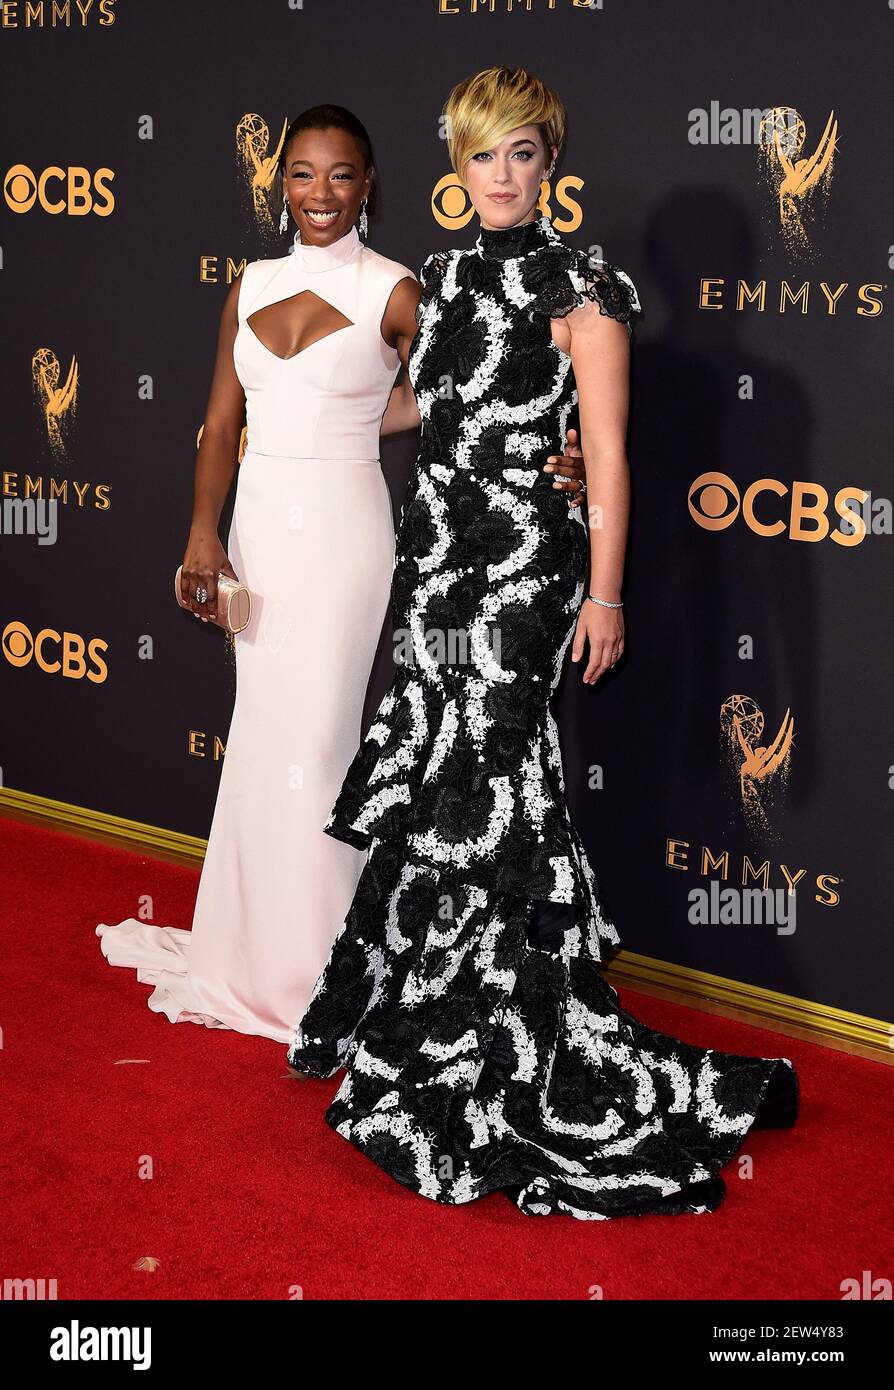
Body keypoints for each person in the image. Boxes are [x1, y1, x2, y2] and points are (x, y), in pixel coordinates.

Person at [285, 69, 800, 1219]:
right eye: (481, 157)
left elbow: (607, 454)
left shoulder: (586, 283)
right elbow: (428, 402)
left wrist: (603, 593)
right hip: (437, 560)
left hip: (524, 569)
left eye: (522, 154)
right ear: (456, 171)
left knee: (498, 780)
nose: (501, 177)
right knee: (444, 777)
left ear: (550, 159)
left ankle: (510, 1031)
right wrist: (307, 389)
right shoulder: (452, 273)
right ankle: (441, 1011)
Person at [95, 104, 587, 1044]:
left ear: (371, 186)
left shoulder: (397, 289)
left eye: (342, 176)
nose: (320, 194)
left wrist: (564, 448)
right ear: (280, 183)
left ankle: (328, 968)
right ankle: (242, 954)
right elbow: (219, 423)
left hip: (342, 533)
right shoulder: (249, 284)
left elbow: (490, 378)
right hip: (257, 534)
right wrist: (203, 537)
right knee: (259, 737)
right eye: (302, 175)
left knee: (320, 745)